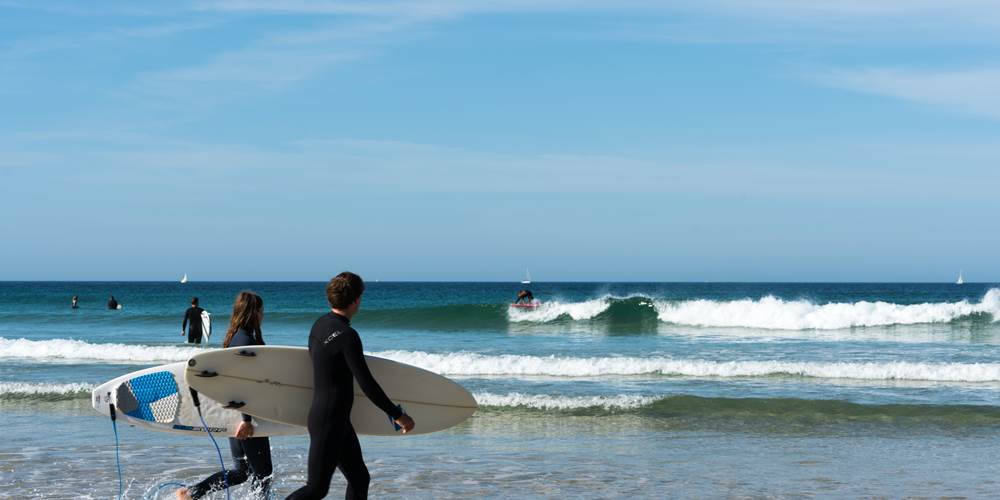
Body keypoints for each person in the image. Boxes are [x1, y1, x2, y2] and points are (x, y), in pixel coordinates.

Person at [286, 272, 415, 500]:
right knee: (316, 488)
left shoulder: (319, 325)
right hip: (330, 420)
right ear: (356, 299)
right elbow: (366, 382)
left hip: (333, 418)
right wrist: (397, 414)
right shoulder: (348, 335)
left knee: (359, 478)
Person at [177, 291, 272, 500]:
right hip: (246, 416)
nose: (263, 315)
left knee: (242, 472)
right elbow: (242, 383)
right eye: (261, 310)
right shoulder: (245, 341)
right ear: (253, 312)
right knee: (263, 475)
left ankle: (192, 493)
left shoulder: (235, 337)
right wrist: (246, 419)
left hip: (235, 413)